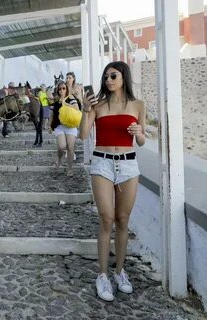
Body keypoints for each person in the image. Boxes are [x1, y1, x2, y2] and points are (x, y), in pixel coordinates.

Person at [79, 61, 146, 302]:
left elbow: (141, 141)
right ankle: (103, 275)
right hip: (102, 163)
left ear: (123, 77)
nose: (108, 80)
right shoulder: (98, 105)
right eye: (106, 76)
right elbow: (83, 134)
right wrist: (86, 110)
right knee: (106, 218)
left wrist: (139, 133)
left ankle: (120, 272)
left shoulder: (138, 105)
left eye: (113, 75)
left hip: (128, 164)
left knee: (123, 219)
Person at [47, 81, 80, 176]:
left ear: (66, 89)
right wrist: (49, 125)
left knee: (70, 147)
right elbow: (52, 114)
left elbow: (77, 109)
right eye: (60, 89)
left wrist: (65, 103)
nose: (62, 90)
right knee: (61, 146)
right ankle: (59, 158)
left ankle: (70, 168)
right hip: (59, 126)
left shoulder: (71, 98)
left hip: (71, 126)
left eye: (63, 88)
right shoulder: (55, 101)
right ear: (57, 90)